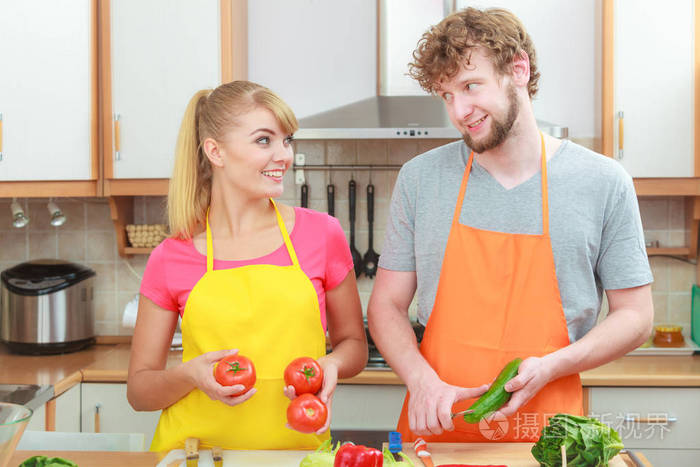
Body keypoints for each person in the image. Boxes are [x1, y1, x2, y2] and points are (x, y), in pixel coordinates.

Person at [367, 7, 653, 443]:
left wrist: (553, 366)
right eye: (446, 96)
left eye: (470, 86)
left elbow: (635, 316)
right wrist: (420, 379)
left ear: (517, 69)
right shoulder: (421, 179)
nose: (460, 111)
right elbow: (386, 306)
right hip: (439, 434)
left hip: (547, 437)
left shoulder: (602, 181)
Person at [127, 81, 367, 451]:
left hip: (296, 454)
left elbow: (353, 344)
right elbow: (140, 391)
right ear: (215, 152)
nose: (284, 155)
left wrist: (331, 365)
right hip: (196, 455)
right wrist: (189, 375)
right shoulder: (172, 255)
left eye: (286, 140)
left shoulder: (322, 234)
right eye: (263, 140)